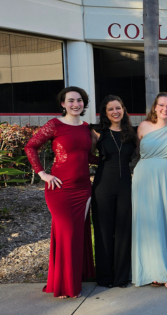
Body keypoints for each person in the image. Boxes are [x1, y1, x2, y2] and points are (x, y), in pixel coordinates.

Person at [24, 86, 95, 298]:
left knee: (78, 235)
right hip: (60, 189)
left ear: (84, 103)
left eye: (79, 100)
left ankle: (72, 278)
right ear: (63, 104)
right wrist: (42, 174)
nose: (76, 104)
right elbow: (30, 147)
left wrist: (114, 161)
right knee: (67, 234)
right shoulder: (54, 125)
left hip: (83, 189)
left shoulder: (86, 127)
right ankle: (66, 286)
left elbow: (86, 157)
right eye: (71, 100)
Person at [131, 92, 167, 289]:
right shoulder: (143, 127)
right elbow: (138, 152)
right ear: (155, 107)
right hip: (145, 178)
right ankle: (155, 271)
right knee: (150, 222)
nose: (165, 109)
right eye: (162, 105)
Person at [91, 95, 136, 288]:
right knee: (103, 231)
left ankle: (121, 277)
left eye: (118, 108)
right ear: (105, 113)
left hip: (126, 184)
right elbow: (87, 155)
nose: (115, 112)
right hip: (103, 184)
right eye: (110, 109)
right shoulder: (97, 132)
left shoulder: (132, 133)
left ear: (123, 109)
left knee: (124, 230)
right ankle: (104, 277)